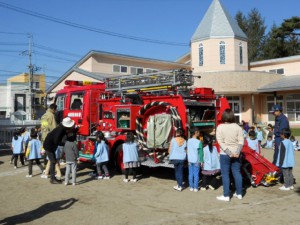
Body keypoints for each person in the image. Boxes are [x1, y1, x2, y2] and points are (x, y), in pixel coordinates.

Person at [216, 109, 244, 202]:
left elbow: (220, 142)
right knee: (237, 173)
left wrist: (229, 153)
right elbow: (241, 141)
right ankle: (239, 193)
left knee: (225, 175)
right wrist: (237, 152)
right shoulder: (238, 127)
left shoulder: (220, 127)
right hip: (236, 153)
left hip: (225, 154)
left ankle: (226, 195)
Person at [43, 117, 75, 184]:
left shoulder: (62, 128)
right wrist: (64, 143)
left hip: (50, 145)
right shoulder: (60, 130)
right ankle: (52, 179)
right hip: (49, 146)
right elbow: (56, 141)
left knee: (53, 161)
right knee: (53, 161)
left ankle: (53, 178)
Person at [187, 127, 202, 192]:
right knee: (196, 174)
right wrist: (202, 161)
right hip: (197, 160)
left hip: (190, 160)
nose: (199, 133)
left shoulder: (188, 141)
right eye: (198, 132)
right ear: (196, 132)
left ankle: (191, 187)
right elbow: (201, 152)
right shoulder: (199, 142)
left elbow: (187, 150)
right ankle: (195, 187)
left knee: (190, 174)